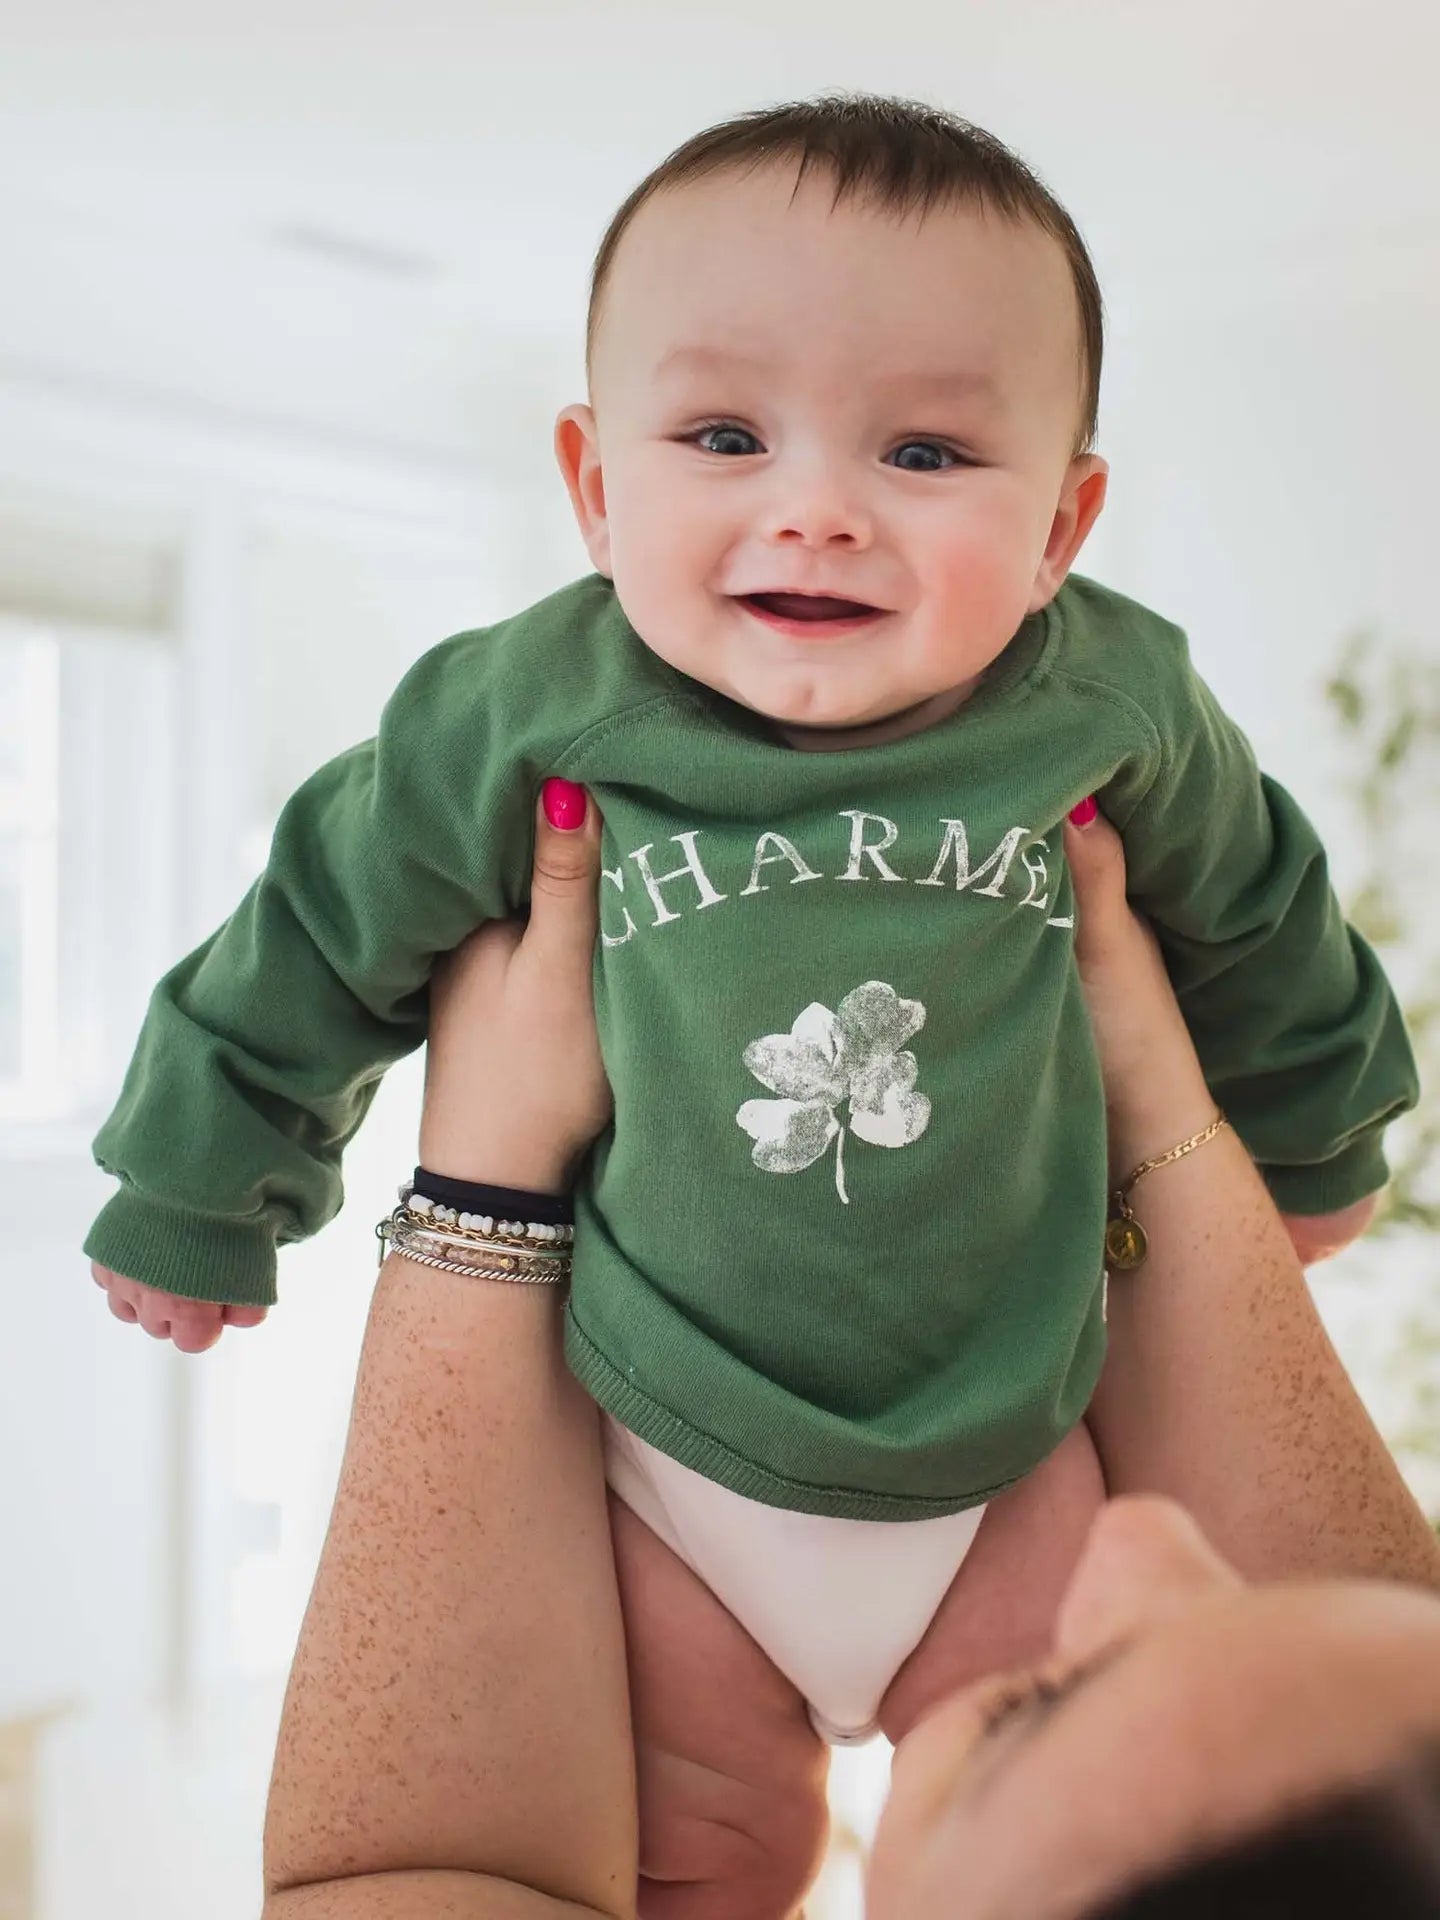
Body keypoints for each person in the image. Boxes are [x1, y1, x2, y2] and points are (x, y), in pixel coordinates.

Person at [90, 92, 1421, 1914]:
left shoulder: (1105, 697)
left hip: (1008, 1457)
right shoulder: (527, 704)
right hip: (667, 1468)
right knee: (705, 1865)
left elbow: (1264, 910)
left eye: (930, 456)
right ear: (594, 486)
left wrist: (1317, 1134)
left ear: (1061, 526)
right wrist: (198, 1180)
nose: (817, 510)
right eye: (724, 432)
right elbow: (318, 928)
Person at [262, 787, 1440, 1919]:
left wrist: (472, 1173)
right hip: (986, 1453)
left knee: (702, 1871)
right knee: (735, 1857)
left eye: (1046, 1706)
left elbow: (399, 1883)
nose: (1151, 1536)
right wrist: (1224, 1116)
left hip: (701, 1500)